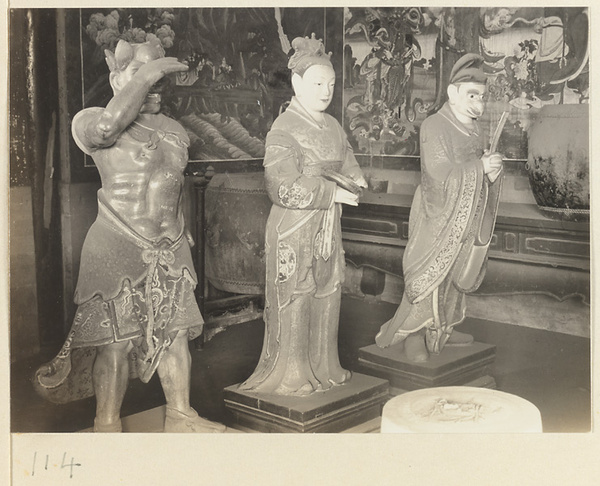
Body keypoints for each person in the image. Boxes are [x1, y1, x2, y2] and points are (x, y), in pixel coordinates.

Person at [35, 39, 226, 433]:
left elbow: (173, 186)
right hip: (118, 243)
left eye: (158, 79)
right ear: (116, 76)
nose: (153, 87)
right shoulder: (91, 120)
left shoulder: (175, 130)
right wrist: (148, 74)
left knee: (176, 337)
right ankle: (107, 424)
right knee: (116, 342)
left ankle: (180, 414)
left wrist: (183, 230)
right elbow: (107, 128)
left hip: (170, 246)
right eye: (141, 75)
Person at [239, 34, 367, 396]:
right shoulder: (284, 128)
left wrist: (355, 179)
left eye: (330, 84)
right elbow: (280, 185)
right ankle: (292, 372)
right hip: (294, 225)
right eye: (317, 84)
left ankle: (325, 365)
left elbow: (346, 159)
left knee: (329, 288)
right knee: (298, 292)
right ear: (296, 83)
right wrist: (330, 192)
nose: (326, 91)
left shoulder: (332, 126)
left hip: (327, 224)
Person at [375, 53, 504, 362]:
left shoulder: (475, 130)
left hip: (465, 212)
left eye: (482, 97)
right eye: (472, 95)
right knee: (428, 274)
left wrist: (492, 170)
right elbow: (437, 173)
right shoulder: (435, 126)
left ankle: (442, 326)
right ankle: (413, 333)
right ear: (452, 94)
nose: (479, 103)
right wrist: (478, 167)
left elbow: (479, 169)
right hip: (437, 212)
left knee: (455, 272)